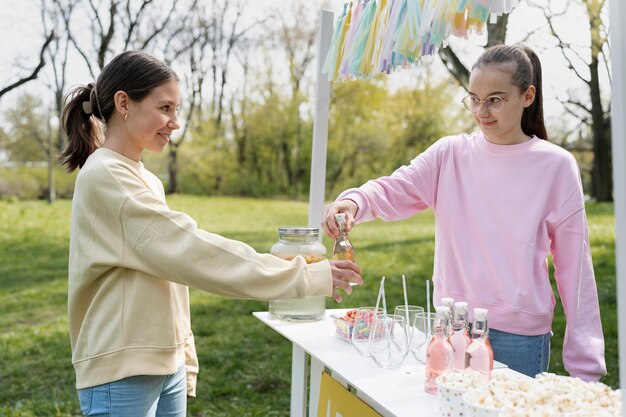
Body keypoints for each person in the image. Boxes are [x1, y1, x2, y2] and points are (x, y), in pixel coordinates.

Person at [59, 50, 362, 417]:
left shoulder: (144, 178)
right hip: (124, 371)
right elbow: (191, 251)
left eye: (176, 109)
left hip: (162, 362)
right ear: (123, 103)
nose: (175, 122)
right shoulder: (106, 175)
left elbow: (170, 271)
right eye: (165, 108)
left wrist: (181, 352)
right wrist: (306, 275)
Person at [323, 44, 606, 381]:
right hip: (449, 330)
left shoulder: (556, 166)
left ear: (527, 96)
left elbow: (576, 273)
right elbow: (393, 189)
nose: (482, 111)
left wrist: (586, 369)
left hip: (519, 340)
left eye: (495, 100)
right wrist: (355, 201)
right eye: (474, 99)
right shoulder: (450, 154)